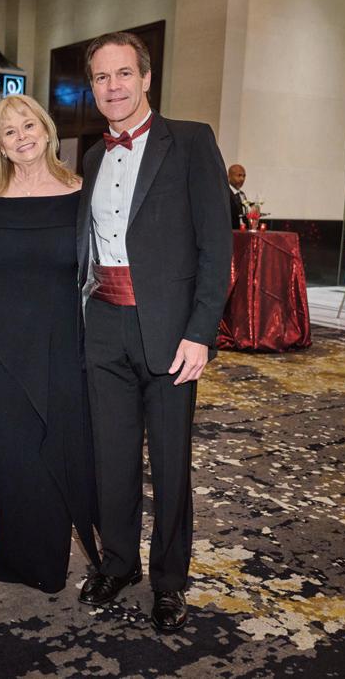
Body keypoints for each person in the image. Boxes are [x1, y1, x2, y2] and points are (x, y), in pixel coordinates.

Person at [76, 32, 232, 630]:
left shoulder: (190, 142)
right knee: (111, 459)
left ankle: (169, 581)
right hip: (104, 326)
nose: (112, 87)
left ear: (146, 78)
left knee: (170, 464)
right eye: (101, 77)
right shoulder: (92, 158)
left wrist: (201, 331)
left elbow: (216, 248)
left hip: (170, 334)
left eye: (123, 74)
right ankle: (119, 563)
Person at [0, 94, 100, 593]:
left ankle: (51, 561)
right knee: (10, 449)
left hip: (63, 336)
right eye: (9, 131)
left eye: (28, 126)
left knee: (60, 445)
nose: (21, 137)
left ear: (46, 130)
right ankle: (17, 559)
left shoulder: (80, 191)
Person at [228, 164, 248, 228]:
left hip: (243, 230)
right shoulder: (225, 193)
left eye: (244, 176)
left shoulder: (242, 194)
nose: (242, 179)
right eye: (239, 175)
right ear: (229, 176)